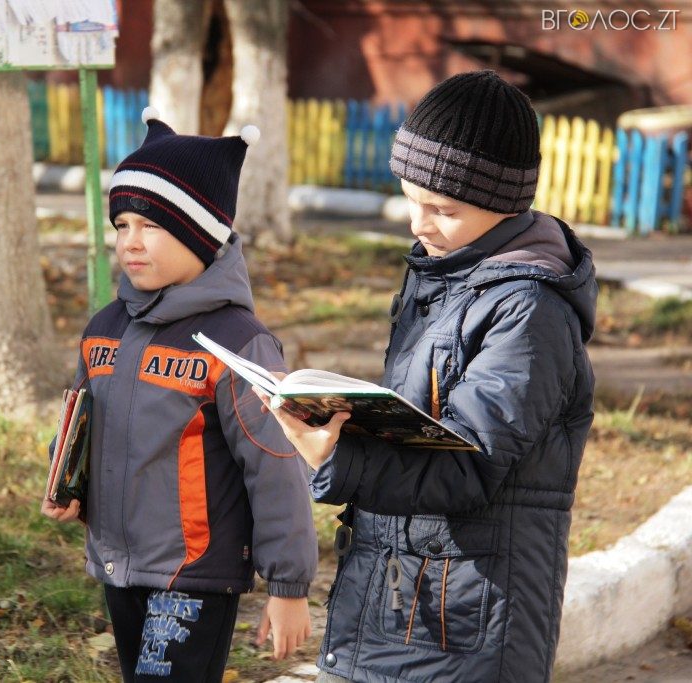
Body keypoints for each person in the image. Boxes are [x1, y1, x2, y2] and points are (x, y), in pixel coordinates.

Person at [258, 70, 598, 682]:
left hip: (468, 620)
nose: (419, 224)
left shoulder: (529, 311)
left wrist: (335, 457)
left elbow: (468, 465)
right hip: (404, 595)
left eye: (444, 210)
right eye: (412, 200)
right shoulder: (445, 274)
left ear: (506, 205)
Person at [41, 107, 318, 682]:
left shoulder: (238, 343)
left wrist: (289, 586)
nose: (130, 243)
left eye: (151, 226)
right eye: (122, 225)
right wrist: (68, 481)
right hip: (120, 566)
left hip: (194, 574)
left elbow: (275, 464)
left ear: (201, 235)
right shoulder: (104, 329)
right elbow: (82, 427)